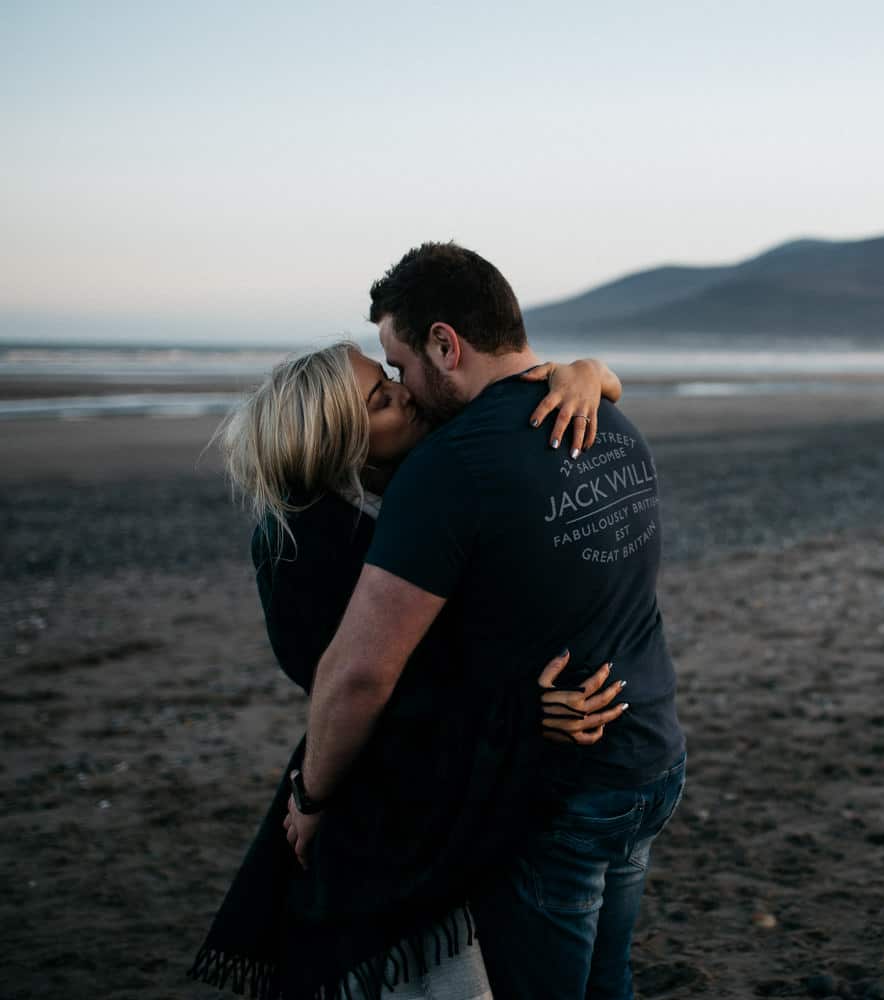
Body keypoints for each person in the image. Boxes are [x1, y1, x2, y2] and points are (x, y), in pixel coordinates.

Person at [285, 242, 686, 999]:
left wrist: (312, 798)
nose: (404, 386)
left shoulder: (455, 465)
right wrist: (588, 369)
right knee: (610, 982)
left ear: (446, 343)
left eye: (399, 365)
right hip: (654, 759)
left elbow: (362, 671)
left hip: (562, 795)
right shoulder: (607, 417)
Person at [191, 343, 629, 1000]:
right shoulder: (306, 548)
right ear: (342, 446)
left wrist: (585, 373)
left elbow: (568, 382)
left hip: (473, 775)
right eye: (379, 400)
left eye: (389, 377)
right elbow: (367, 687)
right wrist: (521, 708)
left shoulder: (425, 466)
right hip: (402, 789)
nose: (404, 393)